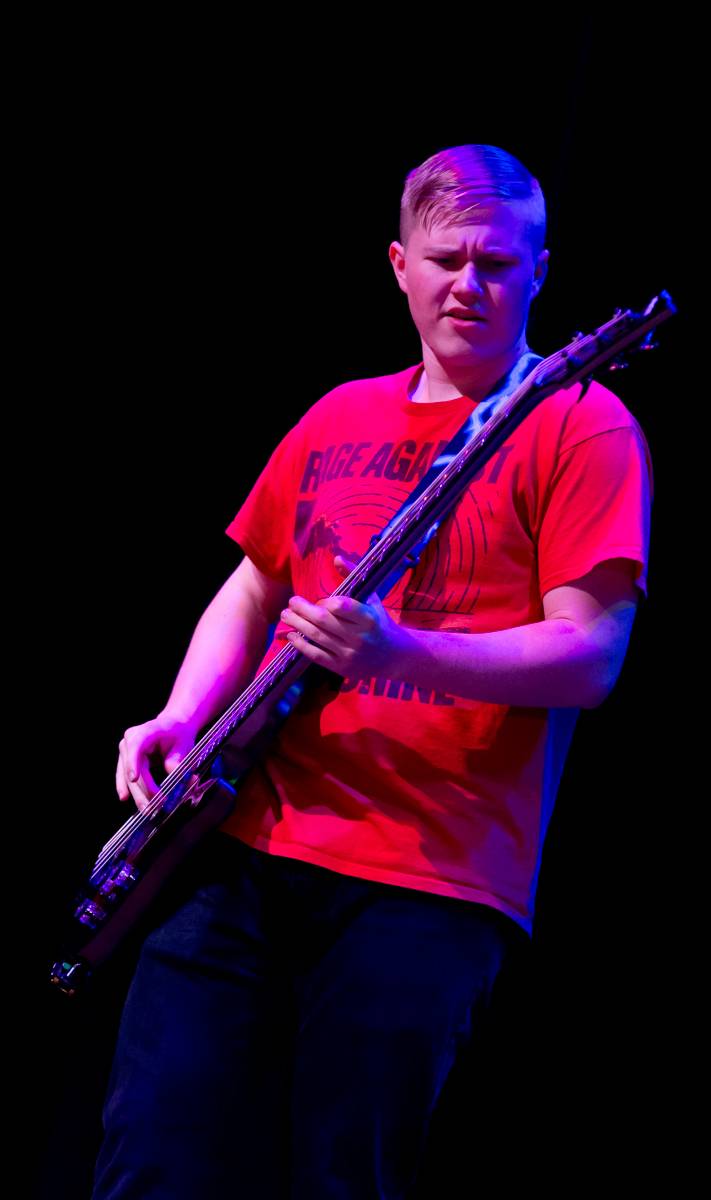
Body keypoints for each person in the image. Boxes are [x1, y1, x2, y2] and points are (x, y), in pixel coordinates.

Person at [92, 143, 653, 1198]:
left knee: (343, 1178)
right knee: (152, 1159)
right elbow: (253, 587)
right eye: (445, 260)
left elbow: (588, 656)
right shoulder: (338, 414)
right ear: (399, 264)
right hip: (243, 846)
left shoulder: (582, 425)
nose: (468, 285)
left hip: (426, 878)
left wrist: (399, 653)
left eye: (497, 262)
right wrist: (179, 713)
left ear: (540, 269)